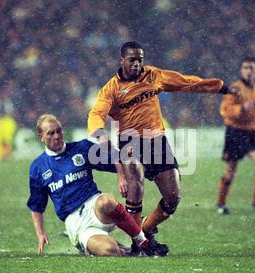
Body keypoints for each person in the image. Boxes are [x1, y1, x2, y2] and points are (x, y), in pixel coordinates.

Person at [87, 41, 239, 255]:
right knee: (135, 177)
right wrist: (98, 132)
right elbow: (96, 114)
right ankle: (137, 243)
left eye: (140, 59)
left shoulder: (153, 76)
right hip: (130, 141)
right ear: (122, 60)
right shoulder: (111, 89)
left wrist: (221, 88)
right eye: (132, 60)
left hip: (157, 141)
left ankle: (146, 229)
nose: (137, 64)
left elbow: (187, 83)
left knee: (173, 198)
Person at [27, 114, 159, 256]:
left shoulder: (82, 148)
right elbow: (36, 206)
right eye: (50, 133)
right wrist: (40, 234)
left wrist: (122, 175)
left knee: (106, 201)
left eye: (59, 131)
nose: (57, 136)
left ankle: (142, 241)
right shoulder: (38, 168)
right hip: (76, 223)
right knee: (110, 251)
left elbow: (113, 156)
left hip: (96, 207)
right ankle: (128, 240)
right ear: (41, 137)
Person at [216, 57, 255, 215]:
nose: (249, 71)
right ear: (241, 71)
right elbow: (224, 110)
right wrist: (241, 108)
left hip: (254, 131)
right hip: (236, 131)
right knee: (231, 170)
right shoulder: (235, 88)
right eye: (246, 68)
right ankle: (221, 203)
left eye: (251, 68)